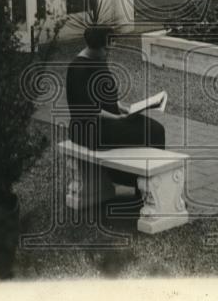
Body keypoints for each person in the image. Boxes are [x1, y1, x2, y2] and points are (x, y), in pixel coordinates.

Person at [65, 25, 166, 189]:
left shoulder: (98, 59)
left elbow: (107, 93)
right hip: (89, 129)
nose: (108, 52)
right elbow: (88, 109)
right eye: (106, 49)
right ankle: (144, 186)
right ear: (93, 47)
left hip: (108, 121)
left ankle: (147, 185)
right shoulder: (79, 69)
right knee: (153, 132)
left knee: (155, 129)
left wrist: (122, 107)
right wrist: (117, 118)